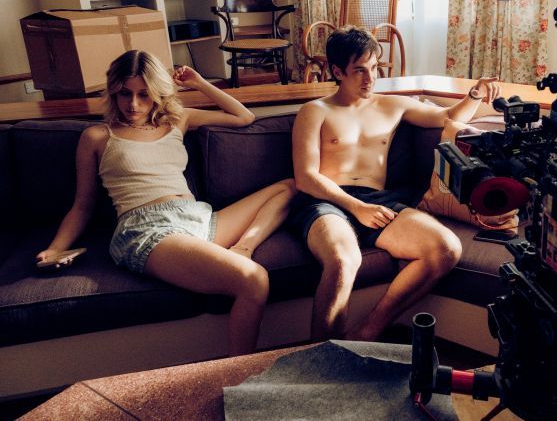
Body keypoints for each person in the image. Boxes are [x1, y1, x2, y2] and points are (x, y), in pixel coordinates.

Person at [35, 50, 295, 356]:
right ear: (113, 92)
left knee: (288, 187)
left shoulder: (177, 120)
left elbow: (244, 117)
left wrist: (199, 83)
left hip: (197, 218)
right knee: (254, 279)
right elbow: (82, 206)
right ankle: (242, 375)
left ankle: (244, 247)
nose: (133, 104)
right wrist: (55, 248)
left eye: (144, 94)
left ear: (157, 93)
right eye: (125, 94)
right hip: (148, 230)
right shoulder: (97, 137)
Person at [290, 26, 500, 341]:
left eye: (374, 68)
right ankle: (320, 358)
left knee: (445, 249)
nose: (370, 78)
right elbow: (306, 177)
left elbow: (448, 116)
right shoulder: (314, 111)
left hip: (378, 200)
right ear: (337, 71)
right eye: (359, 70)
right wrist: (356, 207)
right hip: (326, 201)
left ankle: (365, 335)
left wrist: (475, 93)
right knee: (344, 260)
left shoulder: (393, 106)